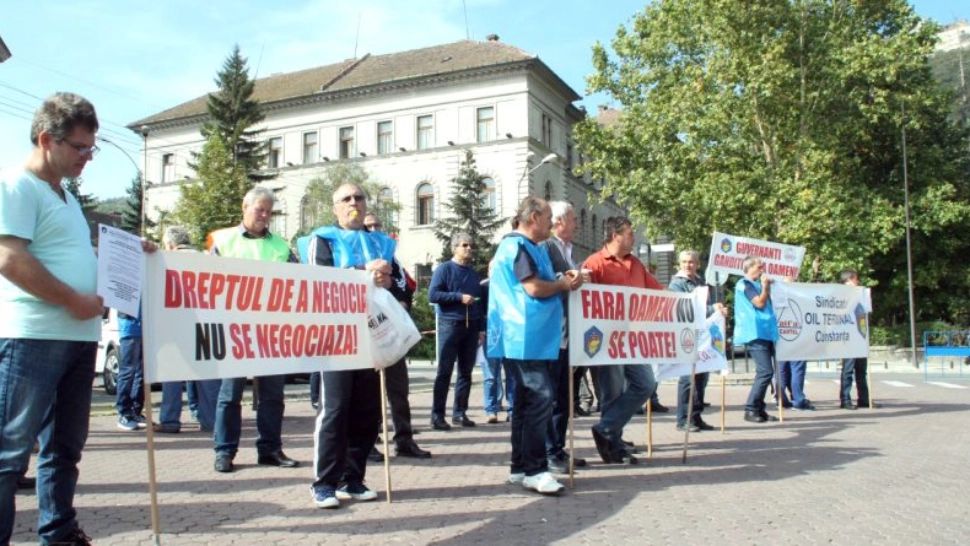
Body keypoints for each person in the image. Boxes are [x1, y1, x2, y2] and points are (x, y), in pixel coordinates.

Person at [0, 92, 150, 545]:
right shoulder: (17, 185)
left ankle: (59, 531)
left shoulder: (64, 197)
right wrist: (70, 299)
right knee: (9, 453)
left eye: (92, 148)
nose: (88, 157)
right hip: (33, 338)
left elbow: (72, 253)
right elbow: (9, 257)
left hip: (77, 338)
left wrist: (124, 251)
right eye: (80, 148)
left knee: (64, 449)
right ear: (47, 139)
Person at [304, 183, 408, 508]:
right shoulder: (322, 239)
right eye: (346, 199)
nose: (353, 203)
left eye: (358, 198)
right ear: (335, 207)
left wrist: (389, 281)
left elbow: (404, 284)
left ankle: (354, 478)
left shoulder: (382, 242)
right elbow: (317, 281)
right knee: (334, 411)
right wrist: (364, 273)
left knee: (367, 411)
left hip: (371, 337)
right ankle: (324, 483)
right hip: (334, 338)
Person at [488, 196, 582, 495]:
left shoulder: (528, 247)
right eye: (547, 217)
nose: (551, 223)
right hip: (523, 335)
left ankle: (520, 467)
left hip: (530, 335)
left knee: (527, 403)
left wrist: (559, 278)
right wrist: (563, 285)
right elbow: (532, 287)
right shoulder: (517, 246)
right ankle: (535, 469)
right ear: (532, 218)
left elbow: (539, 280)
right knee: (541, 398)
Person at [208, 187, 298, 473]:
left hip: (272, 331)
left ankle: (270, 449)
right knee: (230, 394)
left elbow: (298, 283)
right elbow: (205, 281)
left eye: (269, 211)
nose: (264, 215)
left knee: (273, 395)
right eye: (259, 209)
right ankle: (224, 451)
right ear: (244, 207)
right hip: (233, 329)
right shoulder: (221, 240)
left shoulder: (282, 247)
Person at [582, 217, 661, 465]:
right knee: (612, 393)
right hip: (606, 340)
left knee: (646, 384)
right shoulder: (594, 264)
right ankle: (612, 446)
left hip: (633, 339)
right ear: (615, 236)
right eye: (629, 233)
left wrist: (692, 305)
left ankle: (606, 428)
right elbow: (585, 302)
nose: (633, 237)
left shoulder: (635, 264)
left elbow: (659, 293)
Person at [361, 211, 430, 460]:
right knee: (369, 393)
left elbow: (406, 286)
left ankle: (404, 439)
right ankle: (367, 442)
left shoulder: (392, 258)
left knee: (399, 389)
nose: (373, 230)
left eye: (377, 225)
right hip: (365, 332)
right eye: (368, 226)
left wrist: (402, 302)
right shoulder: (357, 256)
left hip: (391, 333)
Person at [154, 226, 220, 433]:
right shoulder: (206, 258)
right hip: (206, 325)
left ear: (170, 244)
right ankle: (212, 420)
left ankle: (170, 420)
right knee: (207, 377)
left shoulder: (166, 260)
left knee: (172, 376)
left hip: (176, 325)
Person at [541, 201, 587, 473]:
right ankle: (550, 451)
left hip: (570, 333)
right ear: (558, 222)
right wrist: (571, 277)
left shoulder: (569, 250)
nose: (576, 224)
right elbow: (551, 279)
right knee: (552, 396)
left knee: (565, 396)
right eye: (572, 219)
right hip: (553, 334)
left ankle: (557, 447)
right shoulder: (546, 247)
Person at [428, 232, 485, 430]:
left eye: (471, 245)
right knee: (444, 371)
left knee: (465, 372)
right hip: (449, 325)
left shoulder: (473, 273)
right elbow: (433, 294)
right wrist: (458, 297)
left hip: (471, 326)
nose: (469, 248)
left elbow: (480, 302)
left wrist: (481, 329)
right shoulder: (444, 269)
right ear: (454, 248)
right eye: (464, 245)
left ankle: (460, 412)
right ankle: (437, 416)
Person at [669, 250, 727, 432]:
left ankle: (696, 415)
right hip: (686, 336)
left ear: (698, 264)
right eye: (685, 262)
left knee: (702, 376)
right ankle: (683, 419)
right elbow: (685, 308)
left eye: (691, 262)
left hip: (702, 336)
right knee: (688, 378)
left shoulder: (701, 282)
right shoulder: (676, 284)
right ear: (679, 264)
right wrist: (712, 309)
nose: (688, 265)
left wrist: (719, 311)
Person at [735, 256, 780, 423]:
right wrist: (766, 287)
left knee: (768, 372)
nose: (763, 270)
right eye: (759, 267)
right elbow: (759, 303)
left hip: (765, 332)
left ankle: (760, 410)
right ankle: (751, 409)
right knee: (765, 371)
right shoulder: (744, 284)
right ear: (749, 268)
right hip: (754, 332)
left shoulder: (756, 284)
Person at [839, 269, 873, 410]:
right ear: (850, 279)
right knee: (848, 370)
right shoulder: (840, 295)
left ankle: (864, 399)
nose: (858, 282)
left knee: (861, 369)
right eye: (856, 279)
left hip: (860, 336)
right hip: (848, 337)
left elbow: (864, 313)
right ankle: (845, 399)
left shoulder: (860, 294)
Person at [114, 309, 146, 431]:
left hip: (144, 328)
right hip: (130, 327)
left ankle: (136, 411)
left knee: (142, 372)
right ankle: (124, 413)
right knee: (128, 371)